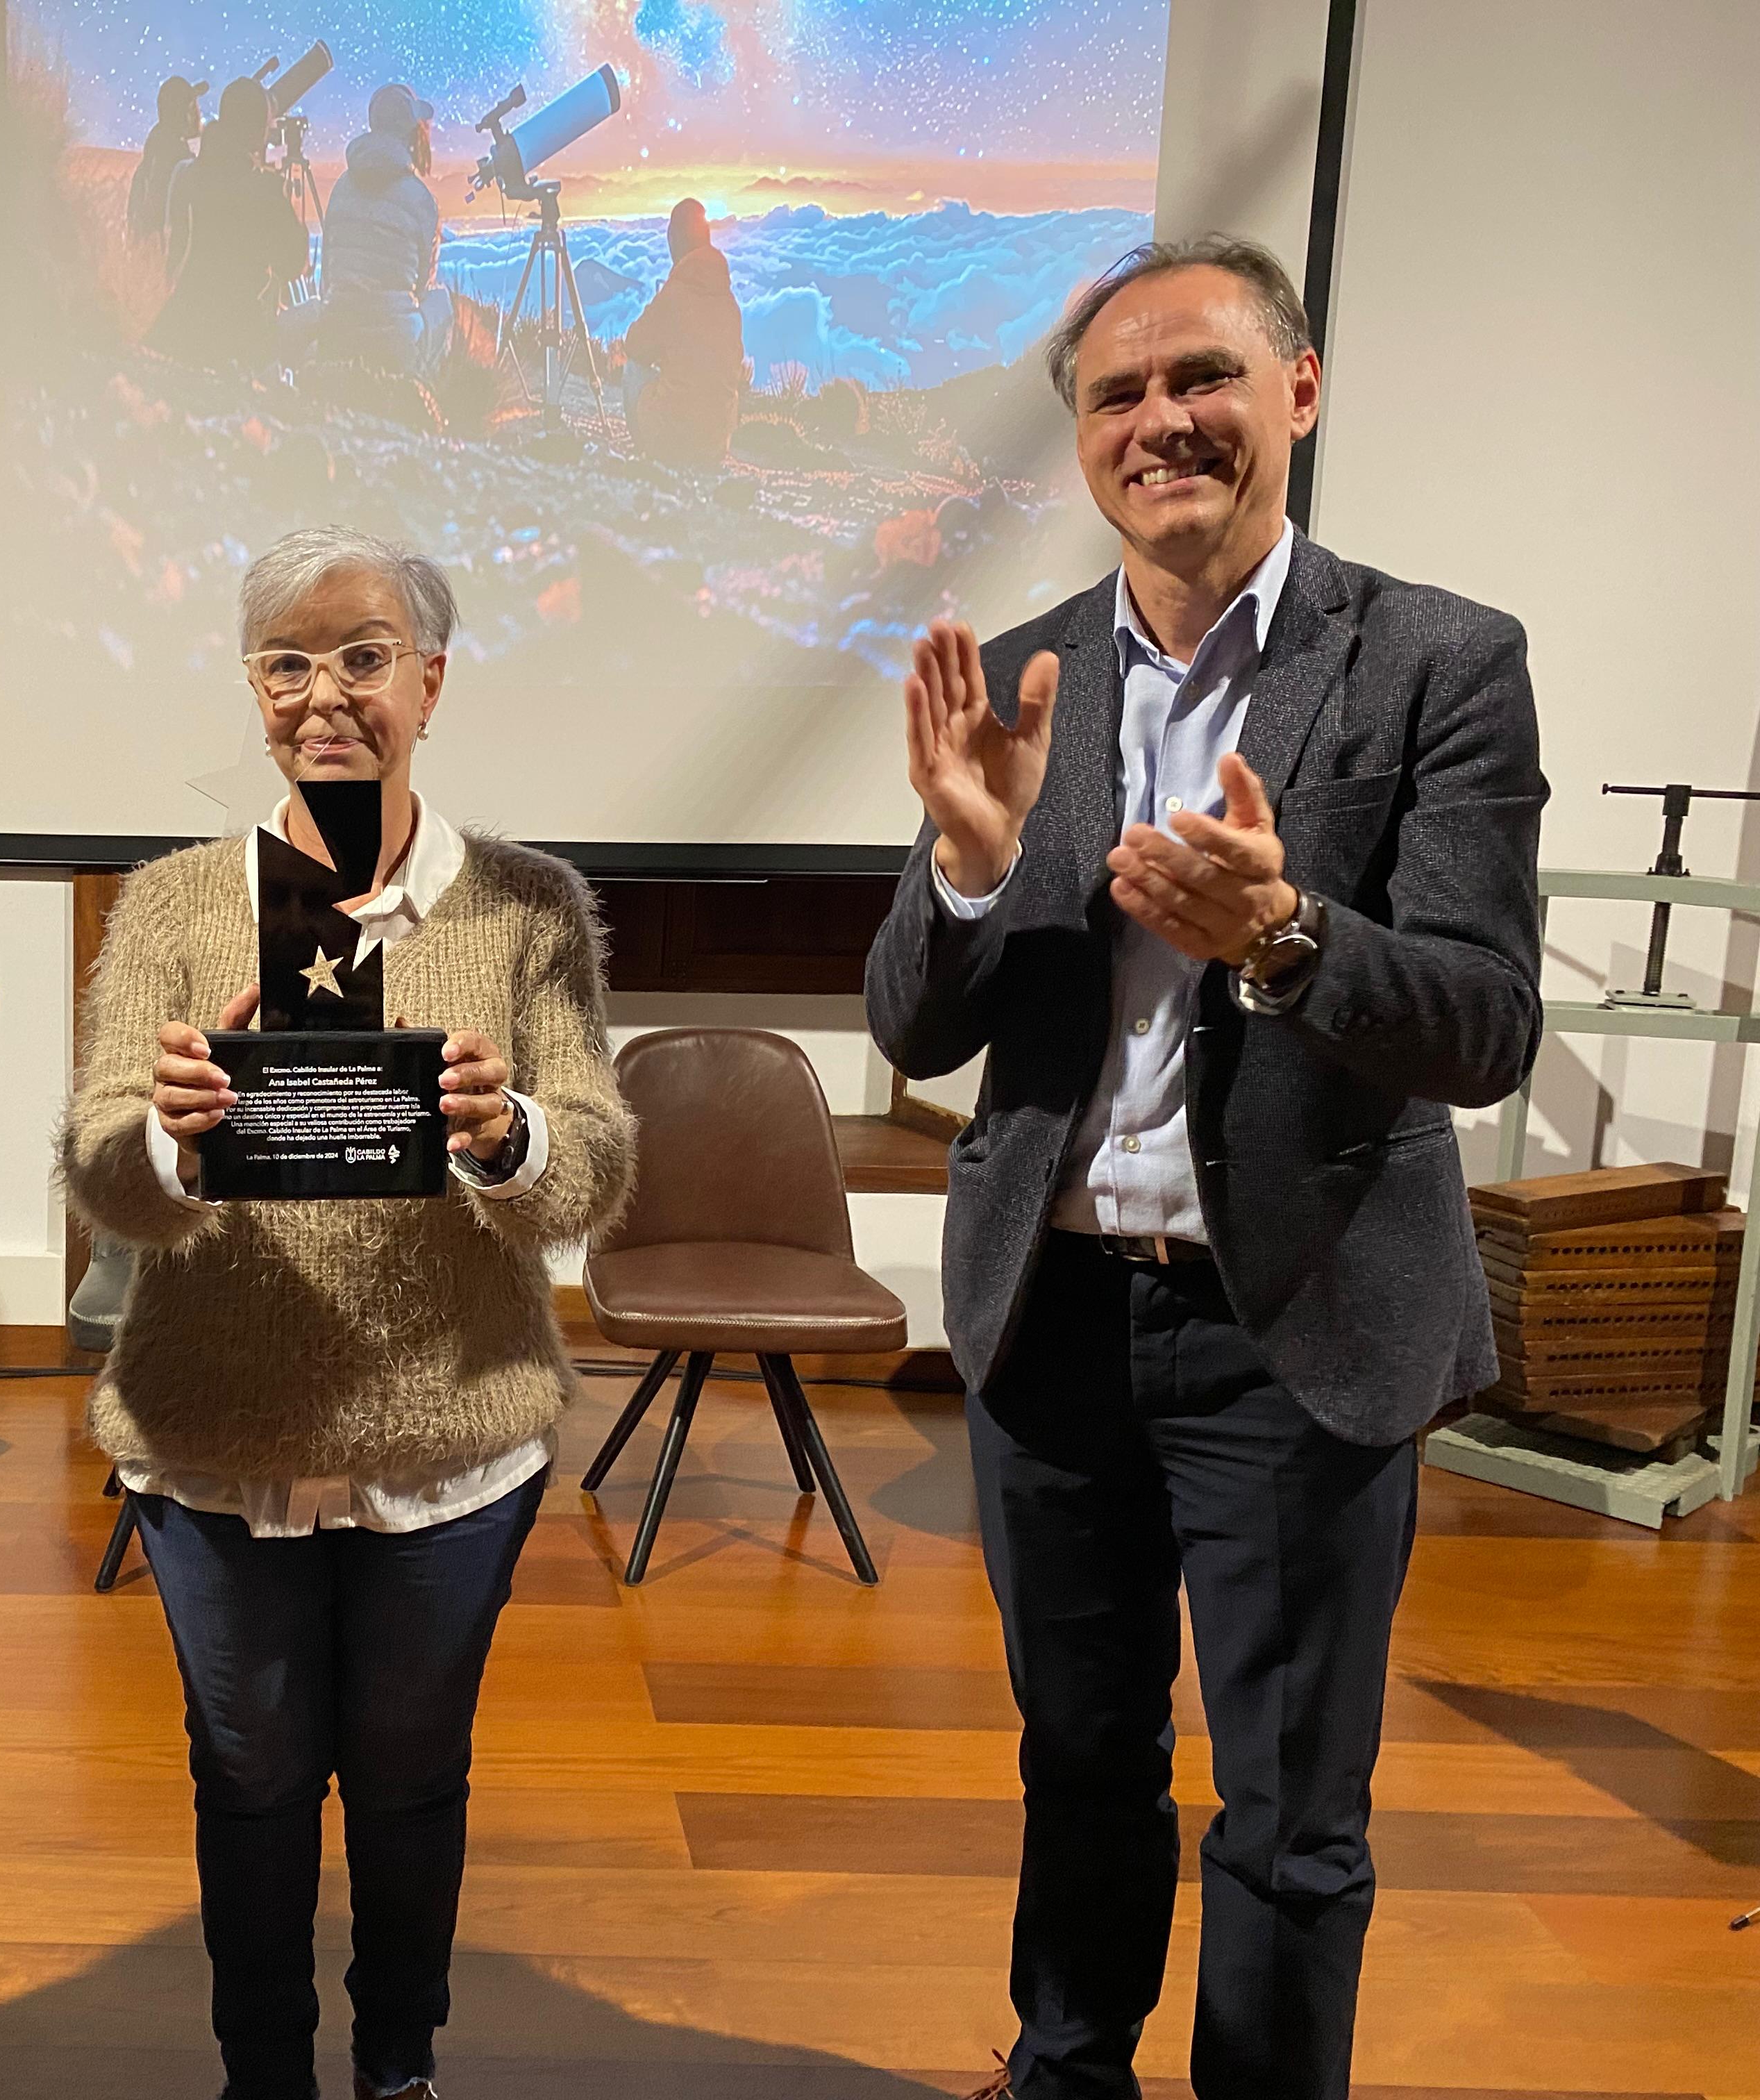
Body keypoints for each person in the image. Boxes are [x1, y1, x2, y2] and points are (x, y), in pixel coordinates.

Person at [866, 237, 1545, 2100]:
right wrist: (979, 871)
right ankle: (1064, 2070)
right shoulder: (1021, 678)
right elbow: (916, 1033)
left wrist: (1289, 940)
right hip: (1055, 1321)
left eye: (1206, 379)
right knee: (1079, 1760)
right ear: (1081, 443)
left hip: (1301, 1335)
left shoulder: (1439, 663)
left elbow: (1489, 1026)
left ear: (1299, 393)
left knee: (1290, 1813)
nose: (1164, 421)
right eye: (1119, 395)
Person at [60, 526, 635, 2100]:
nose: (327, 693)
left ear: (431, 682)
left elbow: (590, 1169)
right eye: (289, 660)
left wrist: (508, 1129)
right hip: (215, 1440)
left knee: (406, 1779)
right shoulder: (174, 905)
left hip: (450, 1448)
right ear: (254, 689)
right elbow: (102, 1173)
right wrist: (171, 1127)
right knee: (246, 1780)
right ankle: (266, 2073)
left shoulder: (524, 913)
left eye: (365, 655)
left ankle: (398, 2066)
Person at [151, 76, 310, 369]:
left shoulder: (186, 174)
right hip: (240, 335)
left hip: (183, 320)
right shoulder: (264, 189)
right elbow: (292, 265)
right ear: (256, 130)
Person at [317, 83, 451, 376]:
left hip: (338, 329)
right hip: (394, 339)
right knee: (442, 303)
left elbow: (327, 272)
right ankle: (422, 385)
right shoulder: (421, 198)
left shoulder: (341, 187)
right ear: (411, 131)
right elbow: (421, 286)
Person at [623, 199, 744, 467]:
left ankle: (649, 451)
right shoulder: (729, 302)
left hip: (673, 443)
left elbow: (634, 346)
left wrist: (657, 309)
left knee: (633, 370)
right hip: (715, 446)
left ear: (676, 240)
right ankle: (706, 445)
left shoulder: (675, 296)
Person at [128, 75, 205, 248]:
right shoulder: (179, 163)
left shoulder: (156, 153)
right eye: (193, 108)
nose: (198, 115)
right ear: (185, 115)